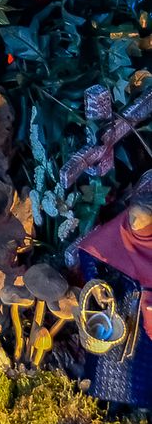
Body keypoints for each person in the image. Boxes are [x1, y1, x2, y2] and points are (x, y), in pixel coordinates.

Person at [76, 172, 152, 407]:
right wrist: (95, 283)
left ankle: (137, 408)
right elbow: (90, 251)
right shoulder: (120, 229)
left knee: (141, 370)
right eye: (132, 216)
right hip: (118, 305)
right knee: (108, 362)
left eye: (141, 219)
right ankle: (103, 404)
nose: (134, 223)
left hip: (146, 317)